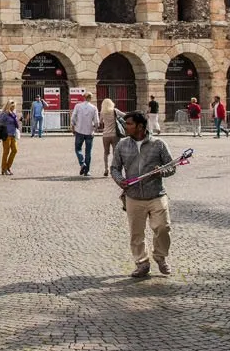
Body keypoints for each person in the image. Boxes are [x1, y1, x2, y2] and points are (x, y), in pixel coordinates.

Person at [110, 112, 178, 278]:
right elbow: (114, 168)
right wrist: (120, 180)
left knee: (163, 228)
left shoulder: (159, 144)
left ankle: (160, 257)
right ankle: (142, 263)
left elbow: (172, 167)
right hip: (133, 196)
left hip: (156, 194)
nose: (126, 127)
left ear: (140, 126)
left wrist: (161, 172)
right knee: (136, 233)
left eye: (129, 124)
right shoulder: (122, 145)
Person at [70, 92, 101, 175]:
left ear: (84, 97)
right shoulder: (94, 108)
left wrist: (73, 127)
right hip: (89, 132)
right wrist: (95, 129)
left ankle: (82, 163)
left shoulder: (78, 106)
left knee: (78, 149)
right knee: (88, 152)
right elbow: (97, 121)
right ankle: (87, 171)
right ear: (90, 98)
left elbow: (73, 117)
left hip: (79, 130)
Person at [100, 97, 125, 167]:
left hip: (105, 135)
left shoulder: (102, 112)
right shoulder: (115, 111)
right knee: (115, 152)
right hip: (115, 134)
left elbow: (100, 122)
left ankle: (106, 168)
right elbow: (124, 115)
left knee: (106, 152)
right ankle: (114, 167)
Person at [0, 100, 21, 176]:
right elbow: (0, 125)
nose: (13, 108)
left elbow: (15, 122)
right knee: (6, 152)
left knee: (15, 150)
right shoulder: (4, 114)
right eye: (12, 106)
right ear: (8, 106)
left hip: (13, 135)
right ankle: (4, 169)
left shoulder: (13, 114)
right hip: (6, 135)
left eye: (14, 106)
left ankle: (7, 167)